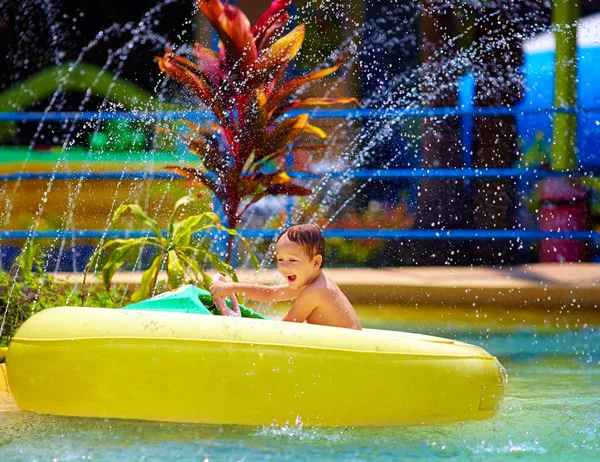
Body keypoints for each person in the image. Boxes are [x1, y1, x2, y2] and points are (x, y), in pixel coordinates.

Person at [209, 224, 362, 330]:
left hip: (351, 351)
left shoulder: (316, 291)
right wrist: (231, 287)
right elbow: (270, 293)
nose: (283, 266)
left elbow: (286, 328)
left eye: (292, 260)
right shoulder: (312, 281)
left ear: (316, 262)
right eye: (280, 260)